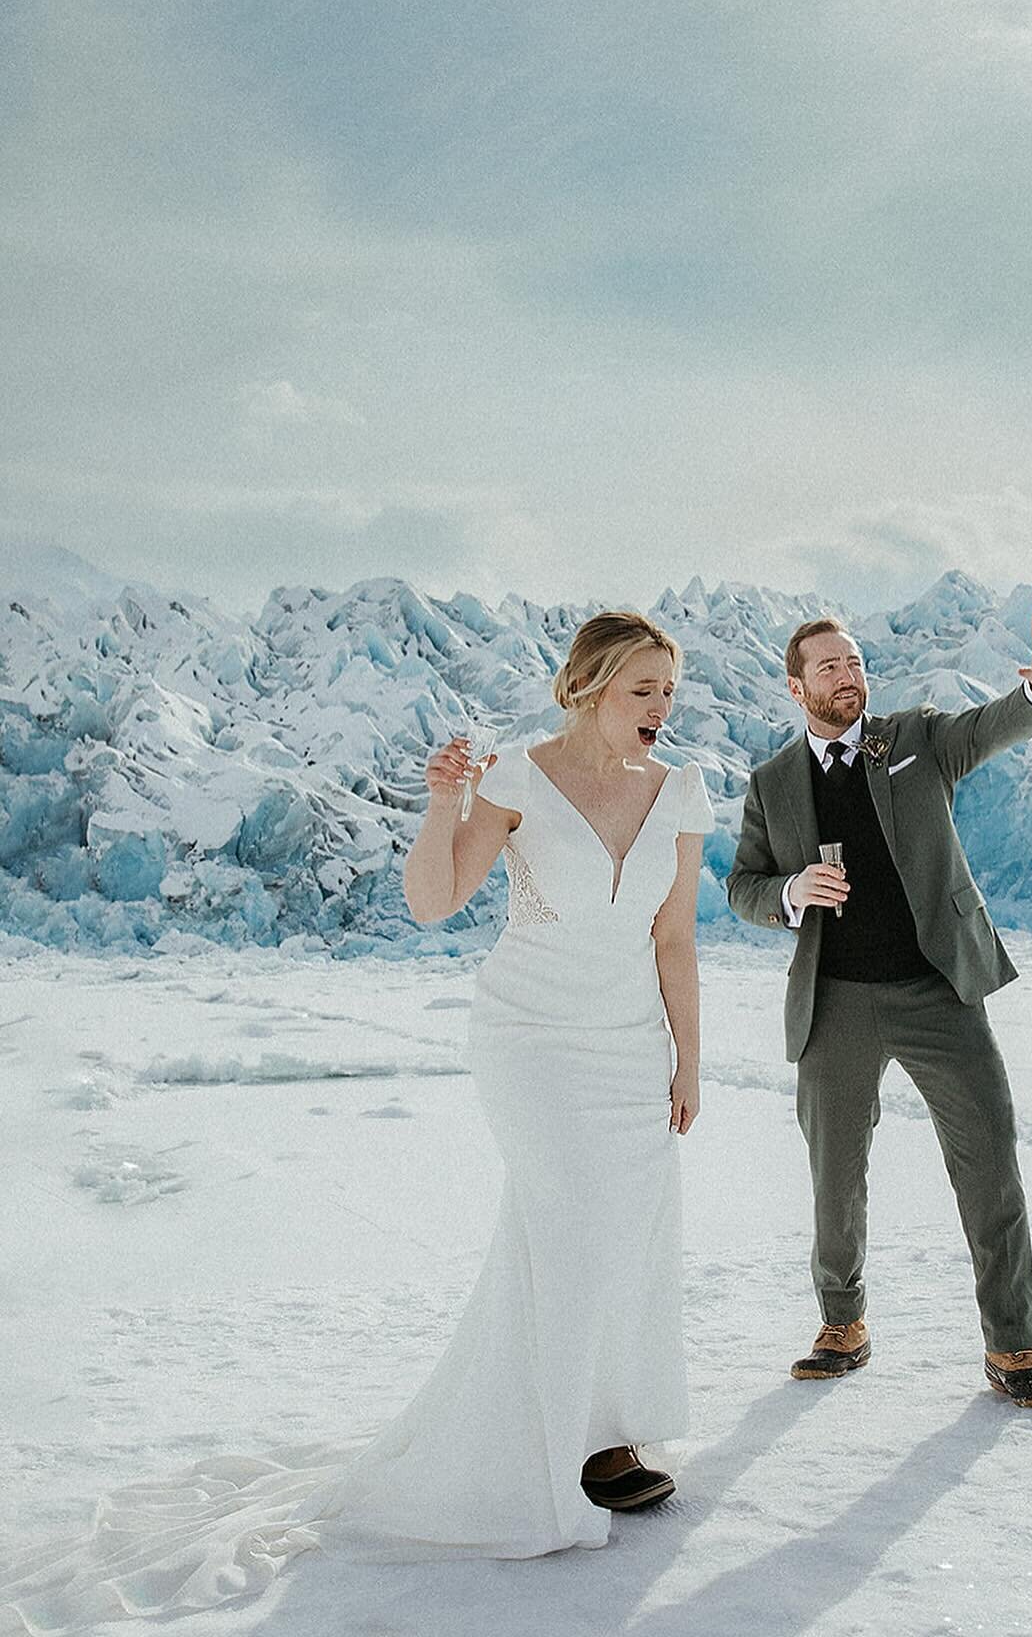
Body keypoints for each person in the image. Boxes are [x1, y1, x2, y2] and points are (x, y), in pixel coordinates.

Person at [1, 612, 713, 1632]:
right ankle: (556, 1459)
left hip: (632, 1049)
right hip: (533, 1043)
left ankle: (603, 1438)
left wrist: (688, 1060)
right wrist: (442, 805)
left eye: (670, 693)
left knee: (619, 1240)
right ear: (589, 687)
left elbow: (677, 938)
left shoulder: (678, 792)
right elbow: (434, 900)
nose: (660, 711)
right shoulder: (515, 777)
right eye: (642, 690)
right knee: (572, 1230)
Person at [726, 605, 1032, 1408]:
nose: (848, 677)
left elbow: (990, 727)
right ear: (796, 685)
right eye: (830, 668)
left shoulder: (916, 739)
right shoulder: (773, 783)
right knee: (834, 1176)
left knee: (990, 1159)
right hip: (834, 1000)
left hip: (937, 991)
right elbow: (741, 885)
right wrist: (789, 891)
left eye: (855, 663)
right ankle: (842, 1324)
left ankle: (1013, 1346)